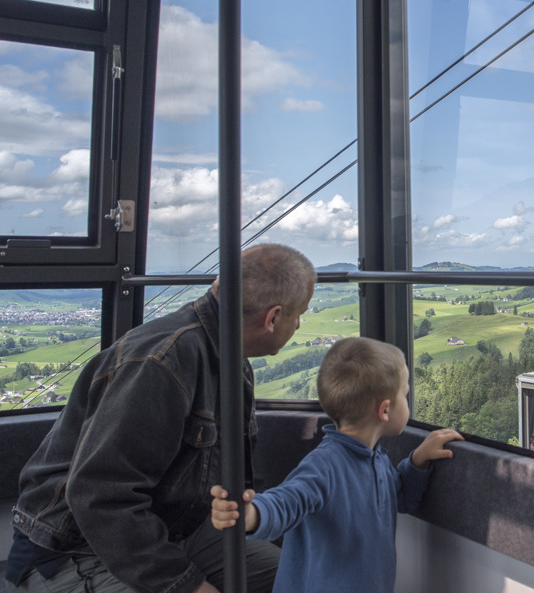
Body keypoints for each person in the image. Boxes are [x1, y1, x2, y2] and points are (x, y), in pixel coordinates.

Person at [6, 243, 316, 593]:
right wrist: (186, 585)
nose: (298, 324)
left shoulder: (230, 358)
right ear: (273, 318)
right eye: (298, 314)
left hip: (175, 525)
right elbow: (99, 497)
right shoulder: (161, 364)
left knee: (302, 580)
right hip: (76, 547)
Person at [210, 337, 463, 593]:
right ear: (385, 410)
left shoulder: (375, 459)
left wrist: (418, 460)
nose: (407, 402)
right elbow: (286, 501)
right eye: (405, 395)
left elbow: (398, 497)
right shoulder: (324, 466)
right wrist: (251, 514)